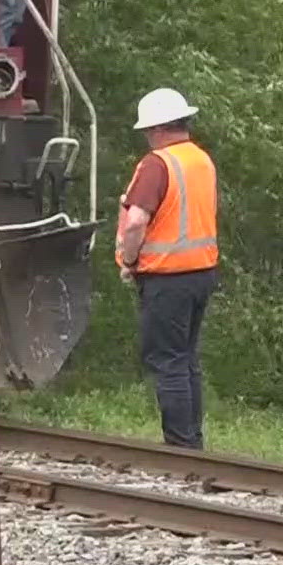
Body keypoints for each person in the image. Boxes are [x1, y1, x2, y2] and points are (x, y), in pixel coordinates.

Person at [114, 87, 220, 449]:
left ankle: (179, 449)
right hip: (202, 273)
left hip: (167, 277)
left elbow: (135, 222)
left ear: (157, 129)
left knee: (168, 363)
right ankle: (193, 442)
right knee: (187, 360)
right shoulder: (202, 160)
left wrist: (129, 260)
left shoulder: (157, 164)